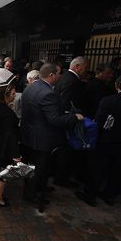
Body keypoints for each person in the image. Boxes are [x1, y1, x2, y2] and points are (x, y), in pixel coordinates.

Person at [21, 63, 82, 207]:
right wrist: (75, 117)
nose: (60, 77)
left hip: (29, 134)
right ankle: (31, 194)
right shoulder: (48, 93)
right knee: (38, 167)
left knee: (32, 166)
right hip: (41, 138)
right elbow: (54, 119)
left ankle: (36, 188)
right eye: (59, 74)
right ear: (51, 75)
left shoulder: (30, 87)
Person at [76, 73, 121, 206]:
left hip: (107, 141)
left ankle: (90, 195)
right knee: (118, 170)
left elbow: (99, 122)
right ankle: (110, 195)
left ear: (117, 86)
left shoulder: (108, 101)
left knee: (98, 169)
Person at [54, 56, 89, 187]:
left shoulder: (67, 77)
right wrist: (73, 116)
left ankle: (60, 175)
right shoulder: (71, 80)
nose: (87, 70)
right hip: (69, 120)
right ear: (77, 67)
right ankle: (61, 178)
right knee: (66, 151)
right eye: (85, 67)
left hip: (67, 119)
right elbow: (65, 103)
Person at [0, 85, 21, 207]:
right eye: (12, 93)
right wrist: (15, 154)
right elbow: (10, 135)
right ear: (5, 95)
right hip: (4, 146)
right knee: (3, 172)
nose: (15, 95)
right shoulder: (7, 113)